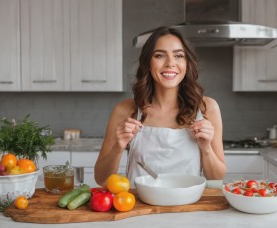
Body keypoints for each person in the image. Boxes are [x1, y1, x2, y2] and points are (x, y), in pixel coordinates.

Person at [94, 26, 226, 187]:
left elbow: (217, 179)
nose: (170, 63)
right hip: (139, 208)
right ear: (148, 63)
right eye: (159, 55)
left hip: (187, 208)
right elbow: (101, 179)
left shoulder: (207, 108)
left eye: (178, 56)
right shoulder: (126, 110)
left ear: (187, 64)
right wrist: (118, 147)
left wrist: (206, 149)